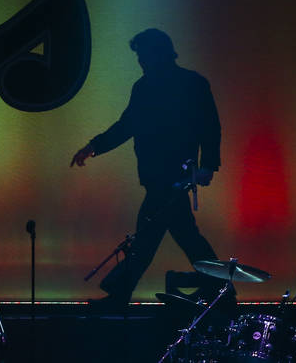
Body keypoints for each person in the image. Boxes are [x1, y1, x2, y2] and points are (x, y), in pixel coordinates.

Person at [71, 28, 224, 309]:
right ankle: (221, 292)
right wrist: (95, 146)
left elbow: (209, 128)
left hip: (173, 178)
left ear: (159, 52)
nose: (141, 61)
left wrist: (208, 166)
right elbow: (127, 125)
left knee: (150, 238)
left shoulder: (191, 84)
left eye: (144, 54)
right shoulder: (145, 87)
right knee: (179, 237)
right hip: (158, 176)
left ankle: (119, 295)